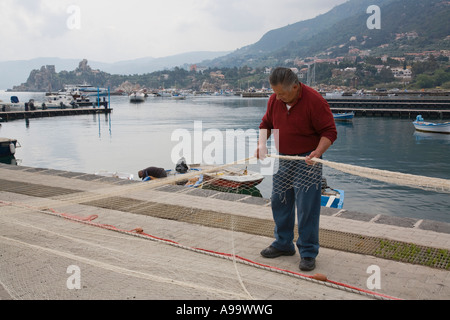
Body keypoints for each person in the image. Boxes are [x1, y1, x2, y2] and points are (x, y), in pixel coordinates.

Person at [255, 67, 337, 271]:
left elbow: (329, 131)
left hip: (308, 160)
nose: (278, 97)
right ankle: (283, 244)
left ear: (295, 86)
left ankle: (308, 251)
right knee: (279, 201)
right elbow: (266, 123)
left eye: (282, 93)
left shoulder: (315, 101)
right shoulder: (275, 99)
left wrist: (317, 153)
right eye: (275, 93)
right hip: (284, 159)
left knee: (307, 207)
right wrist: (262, 144)